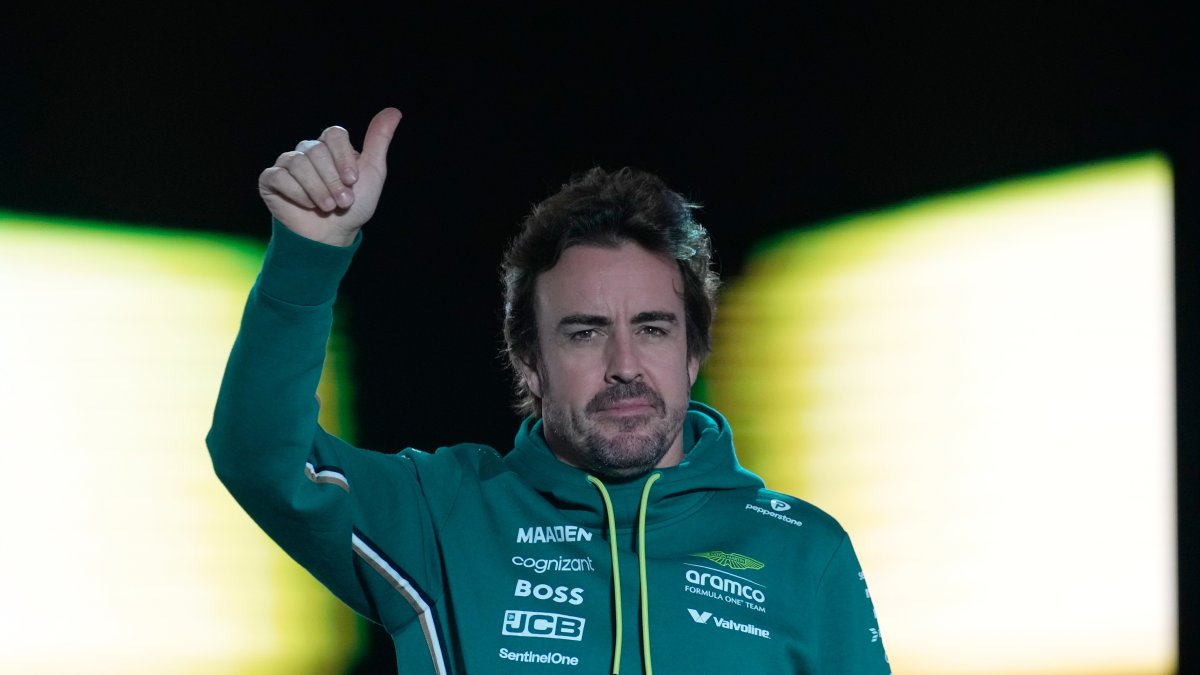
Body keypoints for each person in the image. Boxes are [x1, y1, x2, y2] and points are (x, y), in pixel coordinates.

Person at [208, 107, 890, 674]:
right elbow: (259, 456)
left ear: (693, 354)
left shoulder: (806, 551)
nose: (625, 364)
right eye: (585, 333)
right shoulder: (445, 516)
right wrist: (307, 254)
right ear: (529, 362)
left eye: (652, 328)